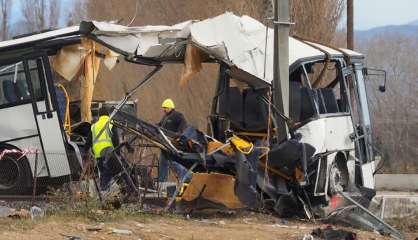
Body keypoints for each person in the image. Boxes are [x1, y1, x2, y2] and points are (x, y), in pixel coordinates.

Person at [85, 107, 119, 191]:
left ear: (99, 115)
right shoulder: (111, 123)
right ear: (108, 114)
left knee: (104, 173)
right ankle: (104, 192)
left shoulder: (94, 126)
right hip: (109, 153)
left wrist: (86, 151)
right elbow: (115, 139)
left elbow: (88, 141)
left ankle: (104, 191)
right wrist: (118, 152)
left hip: (98, 154)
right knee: (110, 173)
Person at [157, 98, 189, 182]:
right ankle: (162, 182)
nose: (164, 109)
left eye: (166, 108)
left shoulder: (178, 115)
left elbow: (183, 126)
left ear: (171, 107)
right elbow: (159, 125)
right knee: (163, 163)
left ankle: (186, 175)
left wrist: (177, 135)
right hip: (164, 144)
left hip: (172, 145)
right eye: (163, 108)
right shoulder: (165, 117)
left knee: (173, 162)